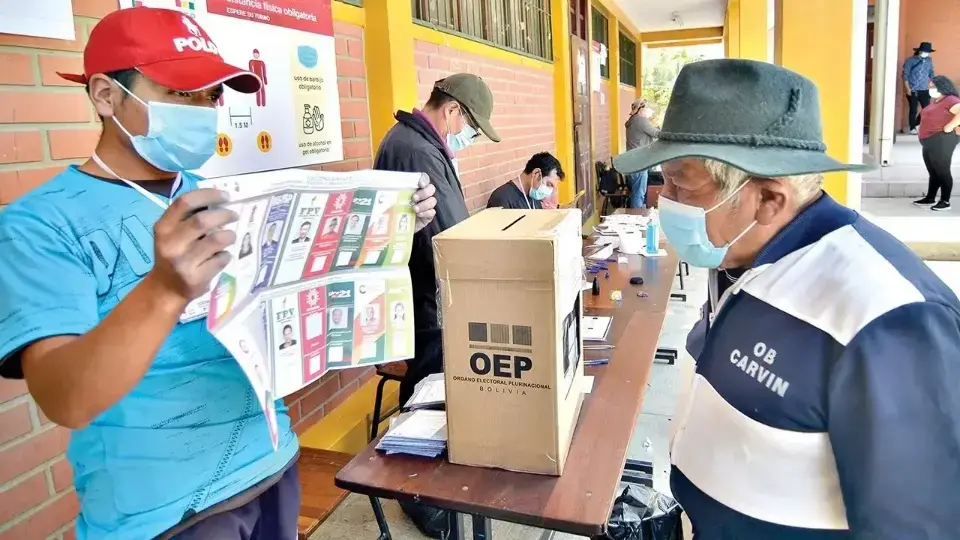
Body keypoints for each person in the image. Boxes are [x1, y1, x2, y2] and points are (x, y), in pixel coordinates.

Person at [0, 8, 438, 540]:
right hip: (165, 513)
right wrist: (163, 290)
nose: (204, 111)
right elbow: (64, 398)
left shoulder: (220, 196)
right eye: (180, 94)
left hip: (270, 465)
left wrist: (388, 225)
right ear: (105, 96)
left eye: (211, 97)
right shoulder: (41, 223)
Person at [614, 58, 960, 540]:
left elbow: (918, 526)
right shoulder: (740, 255)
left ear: (770, 199)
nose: (662, 199)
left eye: (681, 184)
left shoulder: (886, 319)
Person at [374, 72, 500, 539]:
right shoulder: (418, 148)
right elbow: (451, 234)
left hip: (425, 294)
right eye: (469, 126)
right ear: (452, 111)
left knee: (426, 391)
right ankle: (417, 496)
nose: (466, 137)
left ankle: (421, 488)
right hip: (428, 299)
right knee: (425, 397)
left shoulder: (411, 140)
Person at [913, 75, 960, 211]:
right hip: (929, 141)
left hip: (942, 140)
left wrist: (949, 126)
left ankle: (945, 201)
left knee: (942, 170)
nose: (930, 89)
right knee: (933, 171)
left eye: (933, 86)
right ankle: (930, 197)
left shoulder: (951, 100)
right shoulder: (937, 101)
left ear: (942, 86)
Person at [486, 152, 564, 210]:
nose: (549, 192)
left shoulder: (534, 195)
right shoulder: (502, 198)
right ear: (536, 174)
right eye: (549, 184)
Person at [624, 99, 660, 208]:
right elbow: (656, 134)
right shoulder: (640, 121)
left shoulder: (633, 120)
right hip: (639, 162)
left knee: (638, 191)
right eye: (646, 108)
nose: (648, 110)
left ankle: (638, 214)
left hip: (633, 161)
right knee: (639, 193)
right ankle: (637, 218)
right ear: (641, 109)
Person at [903, 41, 936, 135]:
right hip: (913, 89)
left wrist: (933, 83)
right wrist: (908, 88)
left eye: (928, 51)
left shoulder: (929, 60)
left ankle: (917, 124)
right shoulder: (910, 60)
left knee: (927, 108)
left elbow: (931, 73)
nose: (927, 53)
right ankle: (912, 128)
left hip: (924, 89)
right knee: (913, 108)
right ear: (919, 51)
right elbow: (905, 75)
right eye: (925, 51)